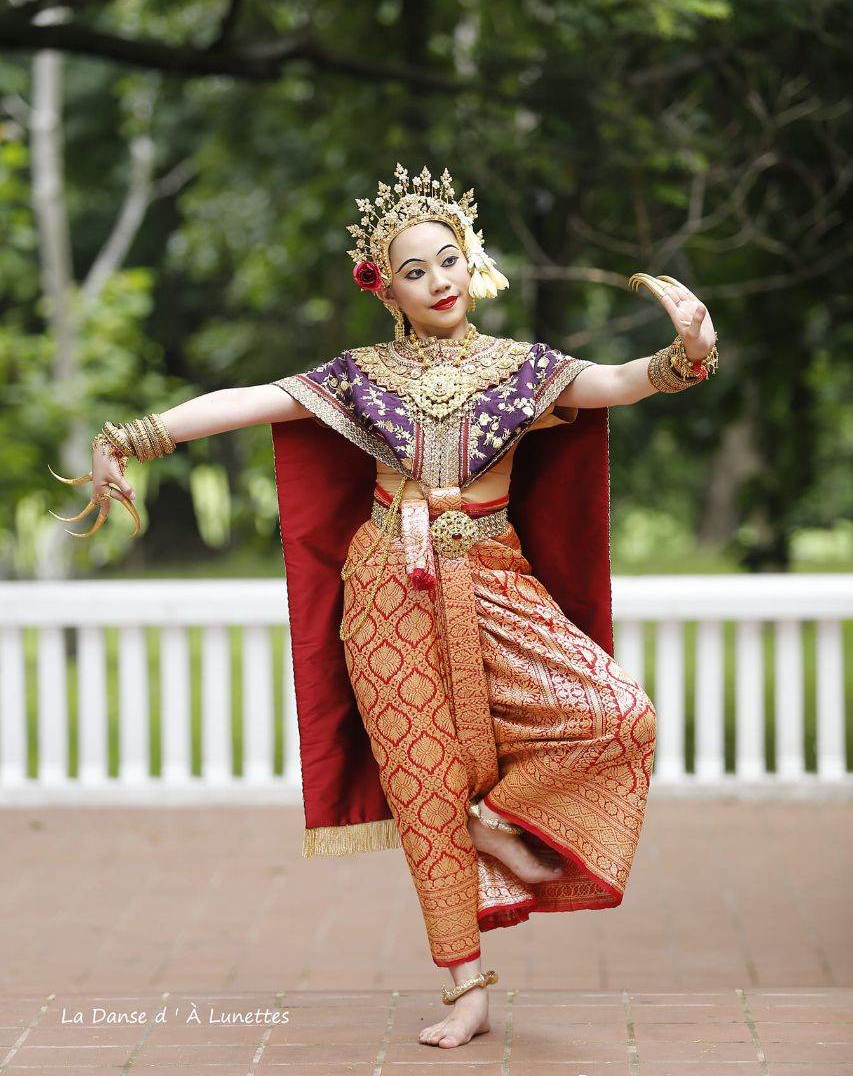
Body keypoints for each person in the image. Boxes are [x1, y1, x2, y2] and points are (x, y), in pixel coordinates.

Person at [48, 162, 718, 1050]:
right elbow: (248, 404)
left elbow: (620, 383)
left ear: (469, 264)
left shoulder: (521, 369)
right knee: (421, 782)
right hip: (384, 585)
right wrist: (127, 438)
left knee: (619, 716)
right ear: (387, 289)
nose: (438, 280)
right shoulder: (360, 376)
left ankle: (501, 821)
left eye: (448, 259)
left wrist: (685, 353)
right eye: (415, 270)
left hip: (491, 572)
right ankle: (466, 988)